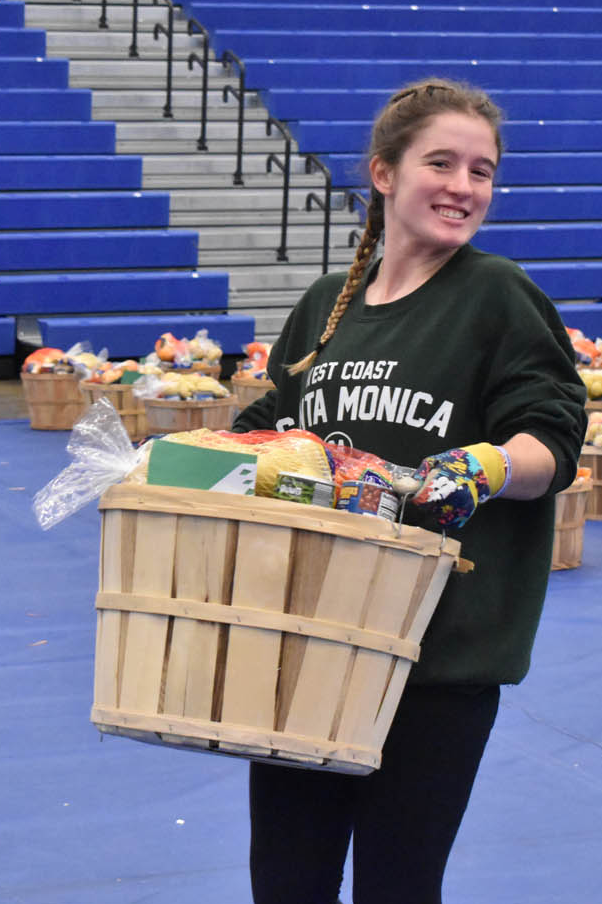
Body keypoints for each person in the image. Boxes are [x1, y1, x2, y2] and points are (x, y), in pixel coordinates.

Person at [230, 77, 588, 904]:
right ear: (384, 173)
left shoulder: (496, 294)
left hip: (433, 657)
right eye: (442, 163)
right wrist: (172, 458)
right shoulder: (328, 305)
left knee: (397, 883)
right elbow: (266, 425)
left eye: (483, 171)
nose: (465, 188)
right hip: (305, 636)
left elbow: (552, 434)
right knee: (285, 880)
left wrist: (485, 468)